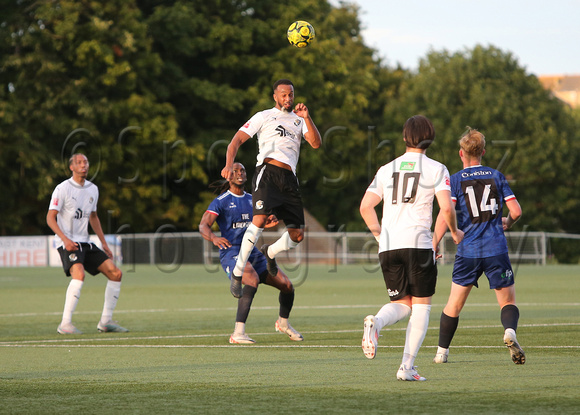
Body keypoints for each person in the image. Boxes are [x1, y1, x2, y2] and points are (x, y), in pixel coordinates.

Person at [359, 115, 464, 381]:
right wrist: (452, 231)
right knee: (421, 307)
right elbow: (447, 207)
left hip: (389, 246)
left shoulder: (386, 169)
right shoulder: (437, 168)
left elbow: (365, 206)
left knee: (402, 303)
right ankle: (407, 367)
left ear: (405, 137)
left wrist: (381, 235)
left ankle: (377, 323)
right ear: (431, 138)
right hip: (418, 244)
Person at [221, 79, 321, 299]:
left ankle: (271, 252)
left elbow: (315, 143)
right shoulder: (263, 116)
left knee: (297, 236)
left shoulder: (299, 119)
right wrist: (229, 164)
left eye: (291, 95)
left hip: (290, 179)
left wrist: (307, 117)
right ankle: (238, 272)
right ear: (275, 96)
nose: (288, 98)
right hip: (268, 173)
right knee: (259, 220)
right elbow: (235, 141)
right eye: (284, 95)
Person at [432, 128, 525, 365]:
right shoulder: (496, 176)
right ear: (483, 152)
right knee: (507, 302)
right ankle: (510, 332)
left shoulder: (454, 180)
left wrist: (435, 242)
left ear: (461, 154)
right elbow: (516, 211)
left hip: (468, 251)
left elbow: (446, 212)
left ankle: (441, 352)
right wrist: (509, 222)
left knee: (454, 304)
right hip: (496, 249)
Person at [200, 162, 303, 343]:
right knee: (251, 279)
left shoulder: (253, 199)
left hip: (253, 254)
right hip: (231, 253)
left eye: (242, 170)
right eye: (235, 171)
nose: (240, 173)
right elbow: (203, 225)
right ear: (229, 176)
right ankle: (238, 333)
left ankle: (283, 323)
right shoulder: (221, 201)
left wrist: (270, 221)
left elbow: (262, 223)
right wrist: (214, 239)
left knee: (287, 286)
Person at [47, 153, 128, 335]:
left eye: (86, 162)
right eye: (79, 163)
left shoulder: (93, 189)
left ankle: (106, 322)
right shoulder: (62, 189)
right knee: (79, 274)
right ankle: (65, 323)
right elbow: (50, 218)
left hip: (85, 242)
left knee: (116, 273)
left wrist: (104, 243)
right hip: (66, 242)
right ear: (72, 167)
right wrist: (65, 240)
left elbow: (93, 217)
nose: (84, 165)